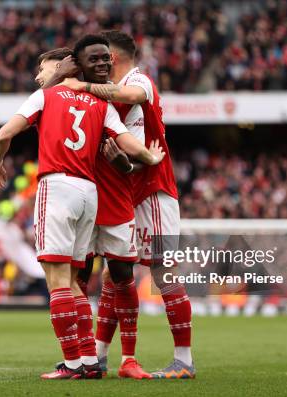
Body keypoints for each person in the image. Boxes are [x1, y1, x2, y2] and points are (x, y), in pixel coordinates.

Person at [0, 35, 165, 379]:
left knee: (59, 282)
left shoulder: (46, 95)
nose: (39, 76)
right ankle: (88, 361)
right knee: (73, 281)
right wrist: (150, 156)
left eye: (42, 69)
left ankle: (72, 364)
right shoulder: (101, 104)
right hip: (89, 191)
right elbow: (128, 144)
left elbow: (4, 134)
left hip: (57, 186)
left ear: (60, 67)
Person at [59, 30, 195, 379]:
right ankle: (101, 356)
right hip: (126, 192)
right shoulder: (109, 98)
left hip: (154, 191)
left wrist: (83, 86)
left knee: (163, 272)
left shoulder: (139, 81)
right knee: (112, 274)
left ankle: (184, 360)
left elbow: (131, 95)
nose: (101, 64)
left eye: (104, 58)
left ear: (113, 58)